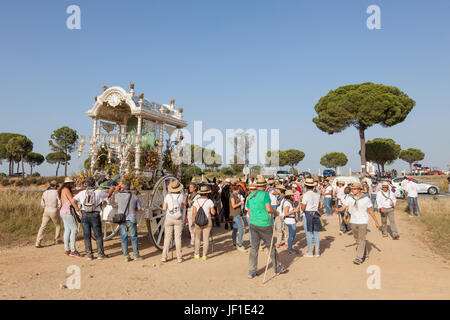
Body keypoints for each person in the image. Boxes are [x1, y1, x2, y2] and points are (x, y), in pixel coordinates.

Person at [246, 175, 287, 279]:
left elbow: (249, 212)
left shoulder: (249, 196)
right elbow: (269, 209)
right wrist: (276, 212)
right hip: (264, 224)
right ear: (264, 186)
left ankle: (252, 271)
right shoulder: (265, 195)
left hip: (253, 224)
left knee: (254, 249)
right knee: (271, 247)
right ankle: (277, 268)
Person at [340, 182, 380, 265]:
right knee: (357, 239)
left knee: (361, 239)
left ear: (359, 190)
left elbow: (371, 211)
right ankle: (364, 254)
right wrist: (338, 209)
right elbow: (344, 207)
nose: (353, 190)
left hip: (363, 221)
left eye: (354, 189)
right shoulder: (350, 198)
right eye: (352, 189)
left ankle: (359, 257)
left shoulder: (366, 199)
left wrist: (376, 222)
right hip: (353, 221)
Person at [74, 176, 113, 260]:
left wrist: (78, 210)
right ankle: (100, 254)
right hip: (95, 214)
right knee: (98, 235)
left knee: (87, 235)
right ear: (94, 183)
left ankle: (89, 255)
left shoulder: (82, 193)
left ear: (86, 184)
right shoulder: (99, 192)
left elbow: (73, 201)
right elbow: (108, 195)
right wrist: (112, 190)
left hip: (84, 214)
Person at [114, 181, 144, 262]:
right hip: (131, 219)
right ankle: (136, 255)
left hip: (122, 219)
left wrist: (117, 190)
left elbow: (115, 202)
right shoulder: (134, 197)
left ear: (122, 188)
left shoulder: (118, 195)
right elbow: (139, 209)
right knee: (133, 238)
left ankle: (126, 256)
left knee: (123, 238)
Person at [161, 180, 185, 263]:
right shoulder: (181, 196)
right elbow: (182, 206)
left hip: (169, 218)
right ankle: (179, 258)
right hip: (178, 218)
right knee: (178, 238)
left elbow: (164, 208)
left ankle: (164, 257)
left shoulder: (167, 196)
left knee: (167, 238)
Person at [58, 177, 82, 257]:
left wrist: (83, 189)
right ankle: (73, 250)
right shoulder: (67, 190)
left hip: (63, 211)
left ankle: (67, 249)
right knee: (74, 230)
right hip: (68, 211)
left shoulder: (63, 189)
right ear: (69, 183)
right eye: (72, 183)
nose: (73, 184)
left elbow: (75, 191)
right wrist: (78, 210)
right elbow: (72, 200)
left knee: (67, 230)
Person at [192, 185, 216, 260]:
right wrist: (214, 210)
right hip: (207, 221)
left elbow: (194, 213)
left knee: (197, 238)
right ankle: (204, 255)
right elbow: (213, 213)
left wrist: (193, 221)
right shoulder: (209, 201)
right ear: (206, 193)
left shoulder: (196, 201)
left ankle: (197, 254)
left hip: (197, 222)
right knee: (206, 239)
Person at [36, 180, 62, 248]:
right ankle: (56, 240)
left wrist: (45, 207)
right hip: (54, 209)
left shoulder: (45, 192)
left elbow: (42, 203)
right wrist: (58, 209)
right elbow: (59, 203)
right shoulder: (56, 192)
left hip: (46, 210)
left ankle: (38, 242)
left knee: (43, 226)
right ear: (55, 186)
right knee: (58, 225)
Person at [301, 178, 322, 257]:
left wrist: (301, 207)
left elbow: (303, 207)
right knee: (315, 232)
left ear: (306, 186)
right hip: (315, 213)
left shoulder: (306, 195)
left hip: (307, 213)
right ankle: (317, 252)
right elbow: (319, 205)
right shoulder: (317, 194)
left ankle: (310, 252)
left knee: (308, 233)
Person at [280, 190, 300, 254]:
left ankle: (290, 248)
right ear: (290, 196)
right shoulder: (287, 203)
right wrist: (294, 211)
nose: (293, 196)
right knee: (292, 235)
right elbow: (286, 213)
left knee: (291, 235)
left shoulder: (287, 202)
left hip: (289, 220)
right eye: (292, 195)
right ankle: (290, 249)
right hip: (290, 221)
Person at [230, 185, 246, 252]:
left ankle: (234, 243)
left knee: (235, 229)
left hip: (236, 214)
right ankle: (240, 244)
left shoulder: (235, 196)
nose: (238, 191)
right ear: (234, 190)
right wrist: (240, 203)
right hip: (236, 214)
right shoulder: (232, 196)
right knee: (241, 229)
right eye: (237, 189)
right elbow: (233, 206)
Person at [184, 182, 199, 249]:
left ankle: (195, 243)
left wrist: (188, 199)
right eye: (189, 187)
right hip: (189, 211)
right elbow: (186, 204)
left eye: (191, 187)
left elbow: (192, 203)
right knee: (190, 228)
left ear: (195, 188)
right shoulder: (189, 195)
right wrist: (186, 198)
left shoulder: (197, 196)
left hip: (194, 211)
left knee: (194, 227)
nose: (190, 189)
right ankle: (192, 242)